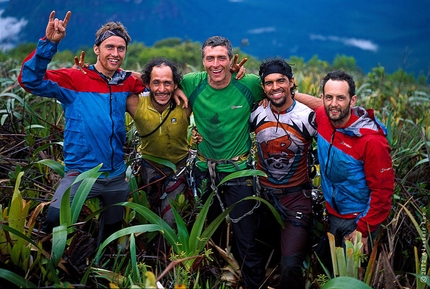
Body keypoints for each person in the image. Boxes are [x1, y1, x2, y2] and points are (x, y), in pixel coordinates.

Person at [17, 10, 147, 246]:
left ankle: (103, 271)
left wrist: (177, 87)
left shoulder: (128, 81)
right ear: (97, 49)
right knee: (55, 221)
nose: (115, 53)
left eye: (120, 48)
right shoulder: (75, 78)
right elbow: (30, 81)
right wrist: (49, 44)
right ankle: (47, 267)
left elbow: (159, 86)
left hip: (116, 175)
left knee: (111, 232)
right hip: (82, 173)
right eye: (109, 47)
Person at [179, 36, 267, 289]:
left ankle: (253, 284)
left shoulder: (248, 83)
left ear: (231, 61)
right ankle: (211, 280)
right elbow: (155, 81)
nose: (215, 64)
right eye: (210, 58)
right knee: (207, 232)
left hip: (238, 172)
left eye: (221, 58)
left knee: (245, 235)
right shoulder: (190, 82)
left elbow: (279, 92)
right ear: (202, 60)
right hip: (204, 170)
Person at [294, 70, 394, 254]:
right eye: (329, 97)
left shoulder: (371, 141)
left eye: (341, 98)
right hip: (333, 214)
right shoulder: (325, 118)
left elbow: (383, 191)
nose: (334, 104)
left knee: (352, 279)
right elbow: (317, 106)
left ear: (352, 100)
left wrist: (364, 229)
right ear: (323, 97)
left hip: (358, 221)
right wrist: (289, 93)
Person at [250, 57, 317, 289]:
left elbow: (334, 111)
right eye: (269, 83)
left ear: (291, 82)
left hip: (296, 199)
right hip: (263, 199)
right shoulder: (257, 113)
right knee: (256, 258)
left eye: (281, 81)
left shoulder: (306, 116)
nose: (275, 87)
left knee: (290, 266)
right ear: (263, 87)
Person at [127, 58, 192, 227]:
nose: (162, 89)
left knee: (169, 219)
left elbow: (211, 82)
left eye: (167, 83)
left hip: (178, 168)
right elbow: (113, 78)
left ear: (175, 84)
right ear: (147, 83)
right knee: (149, 215)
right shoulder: (135, 103)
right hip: (149, 168)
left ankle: (168, 250)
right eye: (156, 83)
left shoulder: (185, 104)